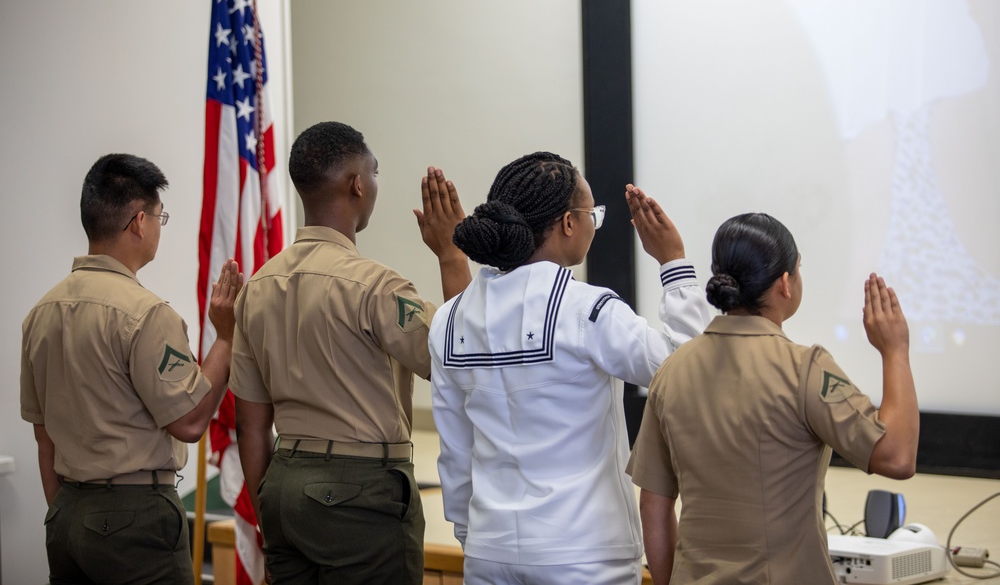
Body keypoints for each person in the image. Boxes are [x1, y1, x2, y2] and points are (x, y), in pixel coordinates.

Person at [429, 151, 711, 585]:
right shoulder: (589, 310)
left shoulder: (448, 320)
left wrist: (476, 537)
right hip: (583, 552)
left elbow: (455, 450)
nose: (593, 225)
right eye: (591, 214)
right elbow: (691, 374)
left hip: (489, 549)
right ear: (567, 223)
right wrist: (673, 263)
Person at [230, 120, 471, 584]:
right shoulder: (377, 287)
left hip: (283, 487)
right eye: (375, 174)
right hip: (360, 496)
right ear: (357, 184)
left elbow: (251, 424)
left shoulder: (256, 289)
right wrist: (451, 254)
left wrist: (270, 511)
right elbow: (459, 356)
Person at [629, 213, 919, 584]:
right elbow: (897, 457)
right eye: (798, 270)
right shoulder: (803, 368)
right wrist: (895, 351)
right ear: (786, 283)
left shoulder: (671, 371)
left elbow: (653, 504)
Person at [20, 153, 243, 584]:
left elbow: (43, 436)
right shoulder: (145, 314)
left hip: (67, 514)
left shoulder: (40, 313)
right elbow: (191, 421)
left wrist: (64, 512)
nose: (159, 227)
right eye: (161, 217)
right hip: (134, 520)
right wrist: (227, 336)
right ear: (140, 222)